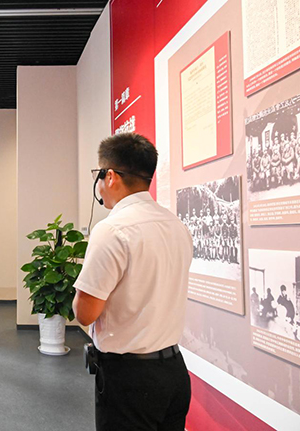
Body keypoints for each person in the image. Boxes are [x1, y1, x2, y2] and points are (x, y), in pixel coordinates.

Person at [72, 133, 193, 430]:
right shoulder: (176, 226)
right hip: (175, 371)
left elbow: (85, 313)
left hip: (130, 379)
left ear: (110, 176)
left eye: (99, 175)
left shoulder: (112, 230)